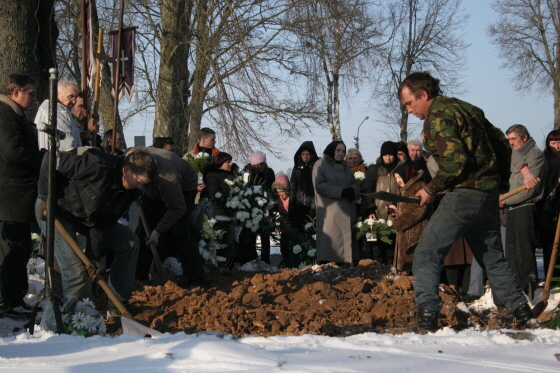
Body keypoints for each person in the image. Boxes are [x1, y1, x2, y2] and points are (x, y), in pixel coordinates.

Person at [398, 71, 533, 332]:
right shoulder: (469, 109)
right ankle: (522, 313)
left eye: (409, 103)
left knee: (426, 254)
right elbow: (504, 147)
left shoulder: (437, 117)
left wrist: (431, 189)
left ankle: (427, 317)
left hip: (464, 195)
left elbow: (455, 162)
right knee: (493, 258)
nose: (408, 110)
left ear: (423, 95)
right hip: (487, 194)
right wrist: (499, 182)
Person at [35, 147, 158, 331]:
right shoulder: (98, 164)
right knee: (75, 273)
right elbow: (51, 158)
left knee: (130, 243)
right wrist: (46, 197)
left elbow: (103, 224)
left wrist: (93, 257)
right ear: (126, 170)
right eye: (139, 181)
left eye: (143, 184)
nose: (140, 186)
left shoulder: (130, 191)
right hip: (55, 211)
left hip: (85, 220)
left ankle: (117, 307)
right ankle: (50, 327)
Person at [0, 73, 44, 319]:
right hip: (9, 196)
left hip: (17, 196)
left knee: (20, 249)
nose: (34, 98)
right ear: (15, 92)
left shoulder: (14, 115)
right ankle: (8, 301)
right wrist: (43, 159)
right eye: (31, 92)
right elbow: (13, 151)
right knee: (12, 250)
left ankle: (14, 297)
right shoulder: (5, 115)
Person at [135, 146, 204, 287]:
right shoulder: (131, 158)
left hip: (184, 188)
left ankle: (195, 279)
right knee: (143, 231)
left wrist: (158, 231)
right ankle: (138, 277)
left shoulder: (168, 180)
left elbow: (177, 209)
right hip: (152, 191)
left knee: (180, 231)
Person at [500, 124, 547, 300]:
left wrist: (505, 200)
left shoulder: (534, 155)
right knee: (511, 252)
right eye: (509, 140)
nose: (511, 143)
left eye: (514, 139)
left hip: (526, 208)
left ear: (524, 137)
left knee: (525, 252)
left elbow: (530, 188)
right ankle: (515, 289)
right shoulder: (512, 156)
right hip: (511, 209)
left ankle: (529, 289)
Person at [313, 141, 359, 265]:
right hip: (330, 212)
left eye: (343, 151)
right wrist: (341, 192)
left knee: (345, 245)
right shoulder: (320, 164)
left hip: (346, 211)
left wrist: (352, 191)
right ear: (331, 150)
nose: (341, 154)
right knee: (331, 245)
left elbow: (354, 183)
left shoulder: (345, 166)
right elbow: (319, 185)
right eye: (338, 150)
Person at [365, 141, 402, 265]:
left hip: (394, 216)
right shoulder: (374, 170)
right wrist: (370, 210)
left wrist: (397, 206)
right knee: (375, 249)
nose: (388, 158)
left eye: (390, 155)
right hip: (376, 215)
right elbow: (367, 191)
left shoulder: (401, 169)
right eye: (385, 155)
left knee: (391, 249)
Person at [391, 167, 430, 272]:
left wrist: (398, 223)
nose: (398, 180)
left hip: (415, 232)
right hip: (406, 231)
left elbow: (418, 209)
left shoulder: (418, 186)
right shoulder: (405, 188)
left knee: (413, 262)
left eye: (399, 176)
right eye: (396, 177)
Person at [243, 151, 275, 263]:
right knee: (252, 234)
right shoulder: (248, 173)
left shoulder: (269, 172)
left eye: (263, 164)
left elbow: (272, 188)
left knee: (265, 235)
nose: (261, 167)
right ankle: (252, 258)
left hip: (266, 206)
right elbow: (245, 189)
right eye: (258, 165)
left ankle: (265, 259)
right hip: (252, 207)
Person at [35, 81, 83, 152]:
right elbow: (66, 145)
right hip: (61, 159)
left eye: (75, 97)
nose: (74, 102)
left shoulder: (63, 109)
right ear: (56, 94)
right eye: (70, 97)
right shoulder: (55, 110)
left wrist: (80, 135)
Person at [539, 130, 560, 280]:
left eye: (559, 142)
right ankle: (551, 277)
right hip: (549, 207)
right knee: (550, 245)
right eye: (553, 143)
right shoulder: (545, 159)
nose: (557, 146)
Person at [289, 141, 318, 231]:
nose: (305, 156)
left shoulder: (316, 168)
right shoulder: (297, 167)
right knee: (300, 229)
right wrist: (292, 202)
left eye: (308, 154)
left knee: (312, 229)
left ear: (312, 155)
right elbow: (293, 185)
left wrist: (313, 206)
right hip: (299, 203)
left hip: (313, 204)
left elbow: (317, 188)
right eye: (303, 154)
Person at [271, 174, 293, 263]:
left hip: (292, 221)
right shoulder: (277, 198)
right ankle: (285, 259)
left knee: (292, 242)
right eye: (278, 190)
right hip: (283, 222)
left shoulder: (291, 196)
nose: (280, 192)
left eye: (282, 190)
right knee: (284, 243)